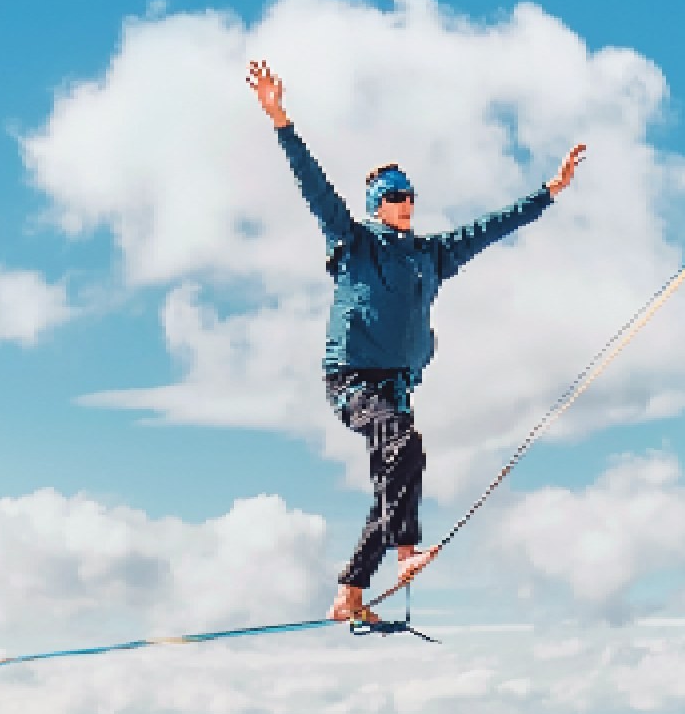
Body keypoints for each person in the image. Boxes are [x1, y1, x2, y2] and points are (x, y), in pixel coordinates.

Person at [247, 59, 579, 623]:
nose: (407, 203)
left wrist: (548, 192)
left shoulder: (431, 255)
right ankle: (405, 557)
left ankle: (350, 593)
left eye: (411, 195)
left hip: (395, 386)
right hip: (351, 380)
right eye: (397, 196)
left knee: (400, 470)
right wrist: (282, 121)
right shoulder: (354, 243)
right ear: (379, 202)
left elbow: (491, 227)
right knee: (401, 444)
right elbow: (314, 187)